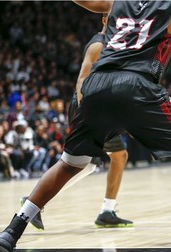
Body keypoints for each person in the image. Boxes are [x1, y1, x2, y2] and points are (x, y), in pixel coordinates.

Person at [0, 0, 171, 252]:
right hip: (138, 86)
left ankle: (11, 231)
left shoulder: (117, 2)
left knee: (69, 164)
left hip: (97, 86)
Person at [20, 14, 133, 231]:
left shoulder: (115, 44)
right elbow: (83, 79)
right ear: (104, 20)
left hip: (103, 109)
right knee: (83, 163)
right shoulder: (100, 44)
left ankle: (107, 210)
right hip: (87, 107)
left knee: (113, 157)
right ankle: (33, 200)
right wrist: (85, 111)